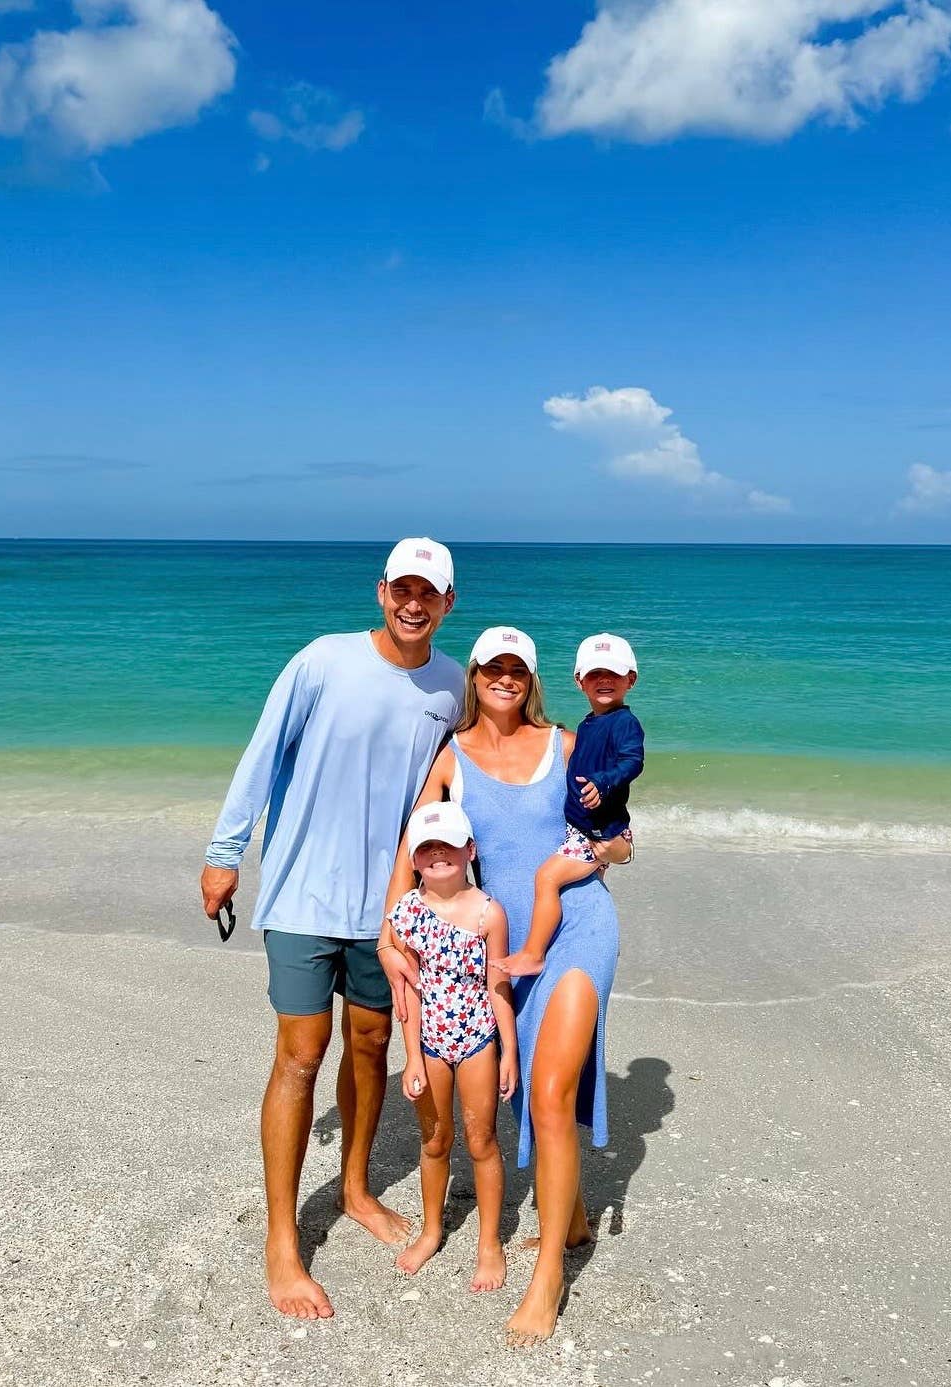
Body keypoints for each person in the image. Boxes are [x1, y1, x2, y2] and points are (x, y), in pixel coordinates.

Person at [199, 538, 464, 1321]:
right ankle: (282, 1239)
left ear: (448, 603)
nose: (413, 603)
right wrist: (223, 852)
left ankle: (353, 1188)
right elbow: (262, 752)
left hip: (390, 906)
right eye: (402, 589)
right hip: (303, 893)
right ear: (381, 592)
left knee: (372, 1043)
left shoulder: (453, 685)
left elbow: (477, 773)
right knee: (301, 1052)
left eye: (429, 592)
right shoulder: (323, 660)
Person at [379, 626, 631, 1347]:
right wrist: (390, 936)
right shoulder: (451, 758)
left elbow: (622, 838)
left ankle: (547, 1276)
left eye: (518, 668)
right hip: (502, 947)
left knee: (548, 1092)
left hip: (577, 927)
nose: (505, 678)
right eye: (493, 666)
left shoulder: (566, 744)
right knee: (532, 1094)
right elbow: (410, 845)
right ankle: (572, 1218)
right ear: (475, 674)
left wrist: (595, 854)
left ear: (532, 678)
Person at [385, 800, 517, 1291]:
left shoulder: (488, 913)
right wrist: (412, 1059)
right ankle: (431, 1230)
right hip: (431, 1042)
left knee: (481, 1140)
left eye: (449, 845)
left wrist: (509, 1052)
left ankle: (489, 1243)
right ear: (414, 859)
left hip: (479, 1037)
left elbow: (498, 987)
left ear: (470, 851)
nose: (439, 854)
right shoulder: (407, 913)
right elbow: (407, 993)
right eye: (428, 848)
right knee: (435, 1141)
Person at [497, 632, 643, 978]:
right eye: (595, 674)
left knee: (547, 878)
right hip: (586, 827)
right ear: (580, 681)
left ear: (631, 680)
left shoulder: (625, 723)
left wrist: (604, 783)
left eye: (613, 673)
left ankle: (533, 954)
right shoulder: (588, 723)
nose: (604, 680)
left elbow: (632, 761)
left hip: (598, 830)